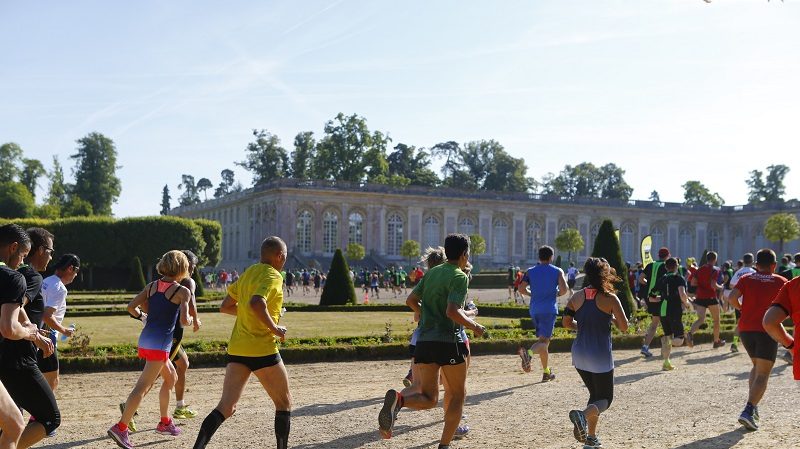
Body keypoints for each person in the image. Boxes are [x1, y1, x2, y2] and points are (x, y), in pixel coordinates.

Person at [378, 234, 485, 449]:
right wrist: (475, 327)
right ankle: (444, 445)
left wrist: (426, 316)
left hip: (425, 341)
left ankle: (400, 401)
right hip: (450, 341)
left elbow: (410, 300)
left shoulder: (432, 273)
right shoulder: (460, 276)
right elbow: (452, 311)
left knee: (428, 397)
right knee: (457, 395)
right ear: (465, 255)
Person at [193, 237, 292, 449]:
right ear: (279, 256)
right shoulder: (274, 275)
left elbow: (226, 306)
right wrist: (275, 328)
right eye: (285, 256)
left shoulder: (248, 273)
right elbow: (257, 302)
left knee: (226, 406)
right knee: (284, 403)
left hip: (238, 348)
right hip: (263, 349)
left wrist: (251, 313)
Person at [108, 251, 193, 449]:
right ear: (182, 268)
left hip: (146, 339)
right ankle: (121, 427)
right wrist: (189, 320)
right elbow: (183, 320)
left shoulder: (151, 286)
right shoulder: (182, 291)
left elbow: (131, 307)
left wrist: (142, 317)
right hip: (160, 344)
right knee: (143, 386)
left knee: (171, 377)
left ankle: (165, 422)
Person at [0, 224, 59, 448]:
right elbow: (9, 325)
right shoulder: (16, 278)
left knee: (13, 422)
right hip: (17, 358)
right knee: (37, 420)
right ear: (14, 247)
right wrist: (30, 332)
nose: (22, 262)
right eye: (22, 255)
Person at [563, 257, 628, 449]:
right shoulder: (610, 298)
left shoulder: (576, 297)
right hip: (599, 355)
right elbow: (624, 327)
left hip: (579, 354)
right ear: (604, 274)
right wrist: (613, 320)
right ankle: (581, 416)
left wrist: (582, 326)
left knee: (595, 396)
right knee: (606, 399)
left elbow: (566, 324)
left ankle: (591, 439)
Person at [726, 249, 786, 431]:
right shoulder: (780, 281)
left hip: (745, 330)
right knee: (763, 373)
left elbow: (731, 297)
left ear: (756, 265)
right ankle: (748, 410)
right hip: (766, 329)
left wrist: (743, 308)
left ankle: (754, 407)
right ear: (774, 265)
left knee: (756, 367)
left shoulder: (746, 278)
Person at [517, 245, 570, 382]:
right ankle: (528, 354)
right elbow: (564, 290)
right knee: (544, 343)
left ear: (539, 257)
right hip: (548, 309)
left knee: (543, 342)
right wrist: (556, 293)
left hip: (535, 309)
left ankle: (546, 372)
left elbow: (521, 289)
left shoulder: (530, 271)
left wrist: (532, 293)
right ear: (551, 257)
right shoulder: (557, 271)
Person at [39, 253, 80, 392]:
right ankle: (40, 414)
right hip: (47, 335)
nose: (75, 275)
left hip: (37, 332)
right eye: (76, 271)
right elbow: (47, 315)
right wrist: (64, 330)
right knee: (52, 381)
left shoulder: (46, 280)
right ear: (70, 268)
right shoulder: (60, 288)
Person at [171, 250, 202, 419]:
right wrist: (196, 319)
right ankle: (130, 407)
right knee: (154, 373)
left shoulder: (168, 279)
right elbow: (191, 303)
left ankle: (180, 405)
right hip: (172, 332)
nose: (193, 270)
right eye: (193, 266)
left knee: (183, 363)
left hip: (166, 330)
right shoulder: (188, 281)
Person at [654, 257, 692, 371]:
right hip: (674, 309)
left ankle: (666, 363)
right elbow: (682, 293)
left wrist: (664, 298)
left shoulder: (662, 279)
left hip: (663, 309)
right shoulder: (679, 278)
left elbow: (652, 297)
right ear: (677, 266)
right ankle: (665, 341)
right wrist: (687, 303)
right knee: (679, 340)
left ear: (666, 267)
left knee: (668, 335)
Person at [687, 251, 725, 349]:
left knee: (700, 319)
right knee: (716, 320)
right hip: (711, 296)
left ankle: (690, 333)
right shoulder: (715, 270)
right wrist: (721, 287)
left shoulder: (699, 269)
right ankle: (716, 341)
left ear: (707, 259)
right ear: (715, 259)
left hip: (700, 297)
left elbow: (693, 283)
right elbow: (713, 284)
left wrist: (701, 285)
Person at [639, 247, 670, 357]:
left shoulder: (650, 264)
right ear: (668, 255)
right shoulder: (666, 266)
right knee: (666, 322)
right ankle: (665, 350)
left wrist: (649, 284)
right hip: (660, 297)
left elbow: (641, 279)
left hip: (650, 297)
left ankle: (646, 346)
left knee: (655, 322)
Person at [729, 253, 757, 354]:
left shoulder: (738, 272)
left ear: (743, 261)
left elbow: (731, 285)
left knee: (740, 324)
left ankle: (735, 343)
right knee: (754, 323)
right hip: (750, 302)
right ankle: (750, 344)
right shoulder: (754, 272)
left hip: (738, 302)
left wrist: (740, 290)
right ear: (753, 261)